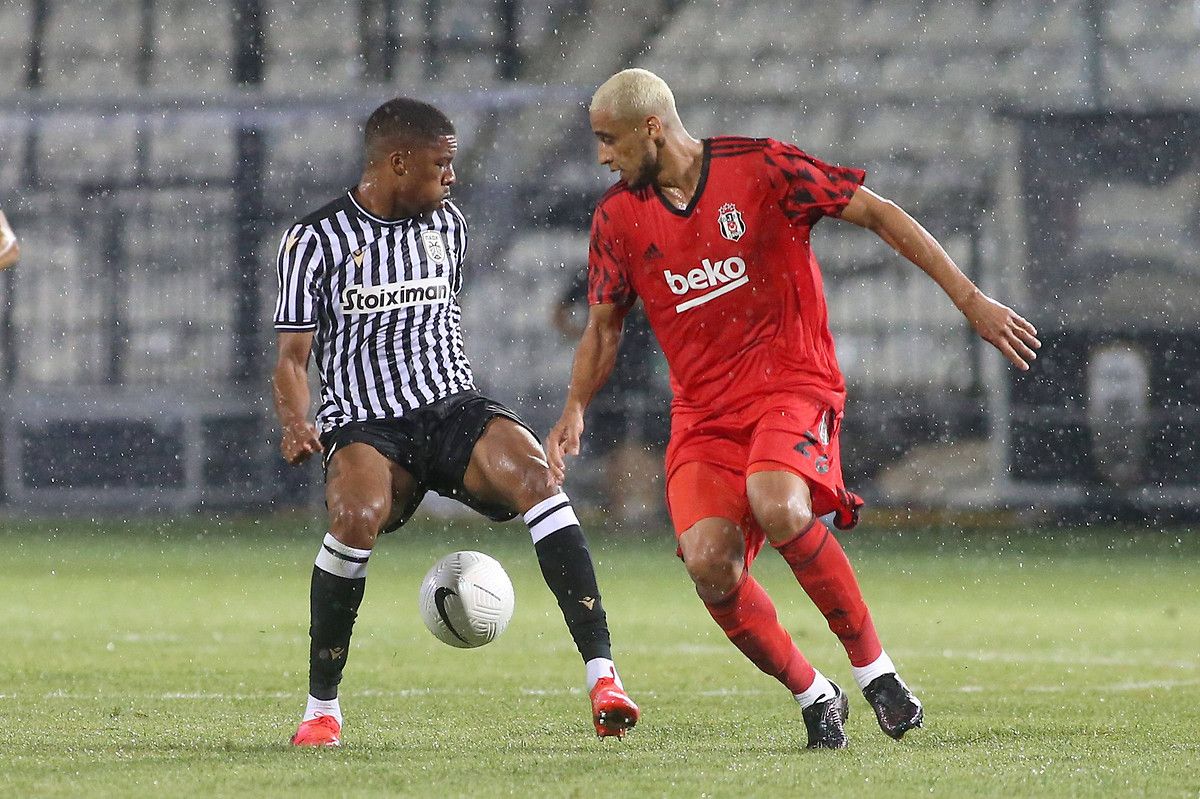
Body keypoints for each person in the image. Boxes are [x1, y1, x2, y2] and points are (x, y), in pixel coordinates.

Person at [547, 69, 1041, 750]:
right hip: (703, 416)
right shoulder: (617, 218)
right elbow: (602, 328)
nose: (602, 155)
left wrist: (970, 300)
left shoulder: (762, 168)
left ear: (651, 128)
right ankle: (816, 693)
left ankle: (878, 673)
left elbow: (879, 213)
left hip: (793, 384)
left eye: (609, 140)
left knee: (778, 500)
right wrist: (574, 407)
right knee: (708, 563)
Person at [272, 97, 639, 748]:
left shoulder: (449, 226)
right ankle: (321, 708)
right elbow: (293, 358)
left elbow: (439, 325)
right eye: (441, 165)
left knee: (537, 477)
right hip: (365, 422)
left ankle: (604, 676)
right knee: (354, 518)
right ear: (397, 163)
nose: (452, 177)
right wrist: (298, 420)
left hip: (451, 407)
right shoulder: (315, 240)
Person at [551, 268, 666, 523]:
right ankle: (620, 513)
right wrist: (587, 338)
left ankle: (646, 513)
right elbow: (560, 313)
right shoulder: (597, 272)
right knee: (616, 449)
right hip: (609, 379)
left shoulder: (646, 269)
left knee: (648, 447)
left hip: (645, 377)